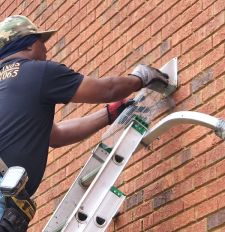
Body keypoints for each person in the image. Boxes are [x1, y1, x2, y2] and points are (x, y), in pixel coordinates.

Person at [0, 15, 169, 232]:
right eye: (42, 42)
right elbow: (107, 90)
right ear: (31, 44)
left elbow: (56, 135)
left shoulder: (9, 88)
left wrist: (108, 115)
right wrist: (140, 77)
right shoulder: (36, 72)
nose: (45, 49)